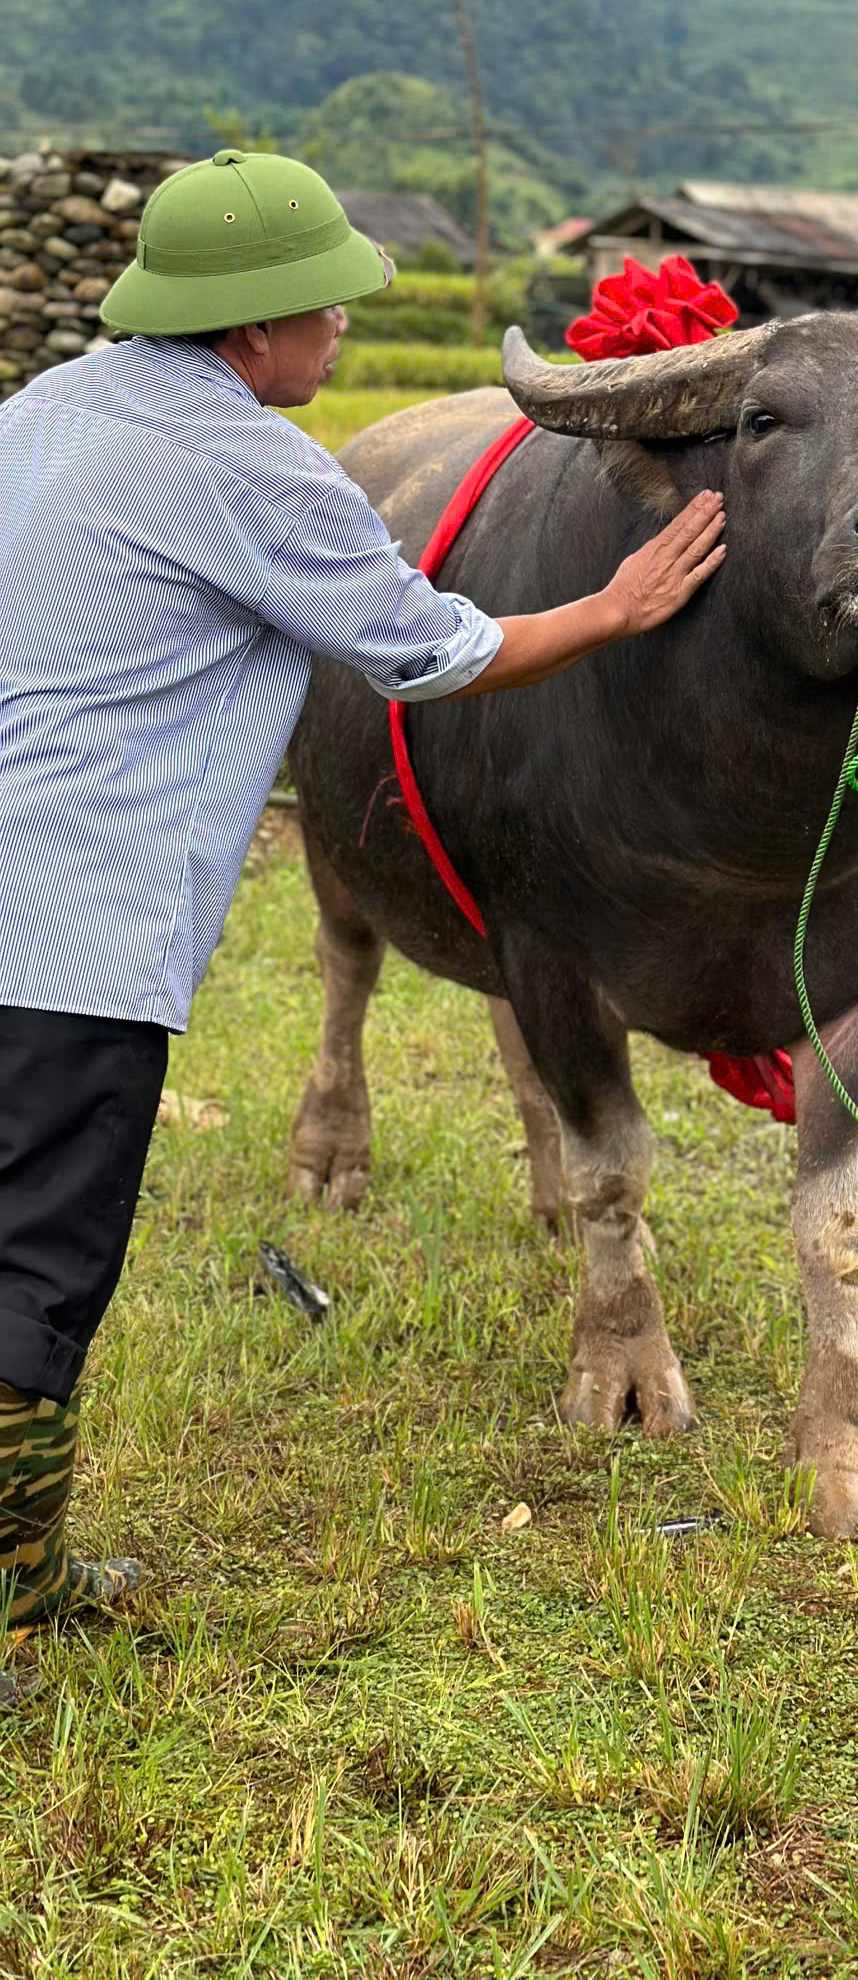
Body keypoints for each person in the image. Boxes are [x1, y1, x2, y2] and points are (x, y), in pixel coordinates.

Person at [0, 150, 725, 1634]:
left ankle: (24, 1563)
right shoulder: (254, 467)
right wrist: (615, 605)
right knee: (35, 1266)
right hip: (71, 922)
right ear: (253, 326)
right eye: (326, 306)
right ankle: (8, 1591)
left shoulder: (51, 410)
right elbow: (429, 650)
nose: (343, 332)